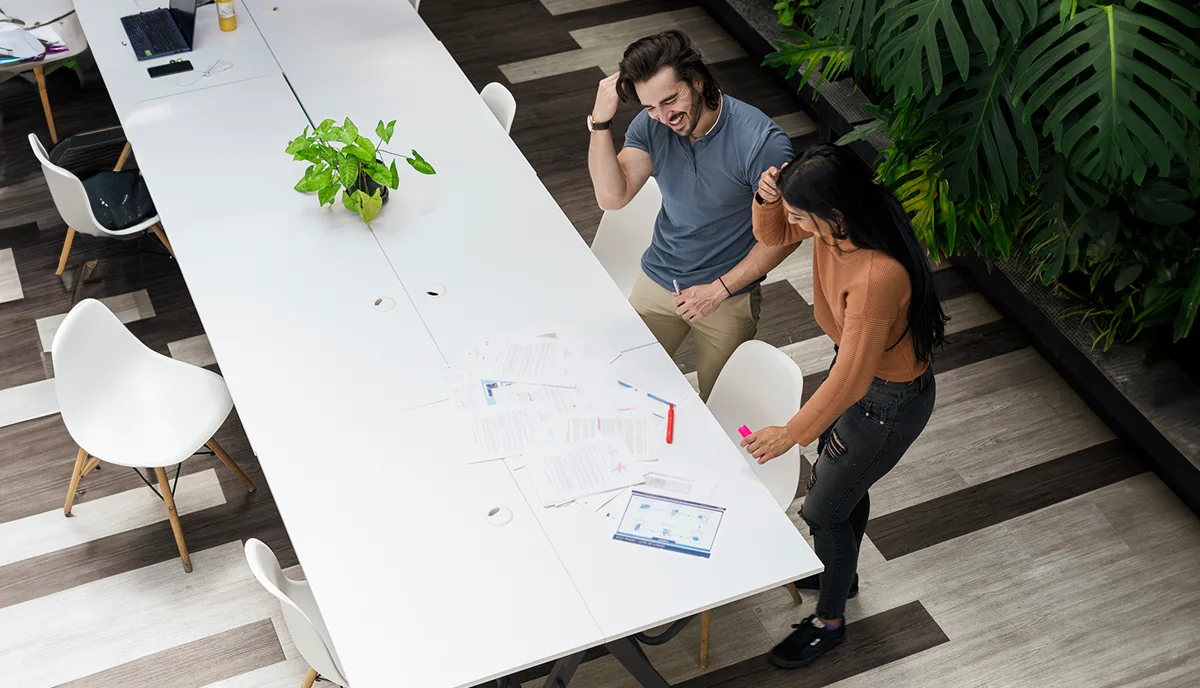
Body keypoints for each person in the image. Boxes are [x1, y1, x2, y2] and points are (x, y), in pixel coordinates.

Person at [741, 144, 947, 668]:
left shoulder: (876, 275)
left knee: (821, 510)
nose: (792, 222)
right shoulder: (836, 230)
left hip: (885, 402)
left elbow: (852, 379)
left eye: (798, 213)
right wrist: (769, 200)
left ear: (833, 214)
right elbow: (771, 236)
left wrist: (791, 432)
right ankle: (844, 574)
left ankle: (828, 622)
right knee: (842, 493)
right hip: (863, 383)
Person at [586, 29, 796, 400]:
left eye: (670, 101)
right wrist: (601, 124)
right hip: (659, 276)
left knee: (720, 407)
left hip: (727, 295)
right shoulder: (651, 124)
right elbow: (611, 197)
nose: (664, 117)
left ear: (698, 82)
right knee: (619, 382)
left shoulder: (759, 143)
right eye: (650, 107)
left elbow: (787, 235)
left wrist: (719, 290)